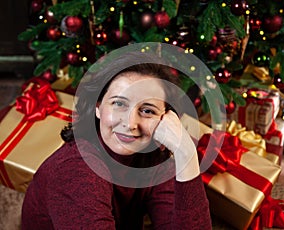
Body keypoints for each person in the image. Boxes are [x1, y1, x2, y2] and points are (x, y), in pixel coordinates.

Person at [21, 50, 212, 229]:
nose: (130, 124)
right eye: (119, 104)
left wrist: (185, 152)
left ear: (165, 119)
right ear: (98, 106)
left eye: (147, 111)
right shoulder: (75, 170)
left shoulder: (151, 157)